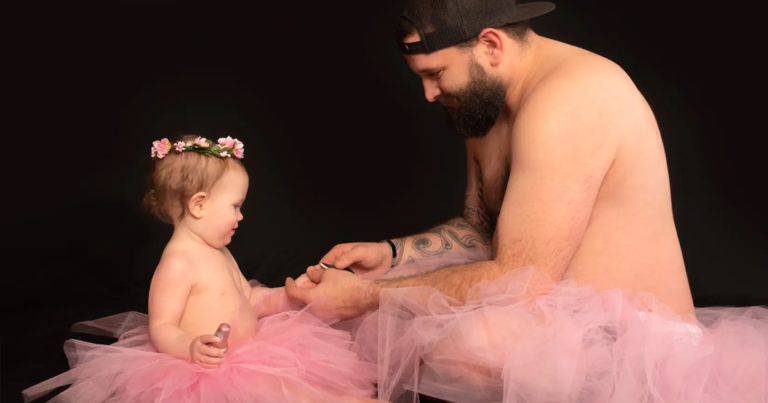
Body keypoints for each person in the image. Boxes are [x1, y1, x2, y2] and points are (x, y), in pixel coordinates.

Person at [286, 0, 768, 402]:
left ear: (490, 45)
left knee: (466, 344)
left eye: (435, 74)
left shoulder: (573, 98)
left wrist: (365, 297)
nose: (429, 94)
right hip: (555, 324)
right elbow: (482, 230)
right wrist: (393, 253)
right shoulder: (487, 103)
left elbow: (525, 278)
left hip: (635, 350)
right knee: (390, 305)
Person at [21, 135, 379, 403]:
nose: (241, 216)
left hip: (255, 354)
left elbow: (248, 297)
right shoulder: (178, 262)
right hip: (207, 373)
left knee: (308, 390)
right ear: (199, 204)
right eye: (236, 206)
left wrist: (290, 296)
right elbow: (161, 326)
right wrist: (190, 347)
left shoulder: (218, 250)